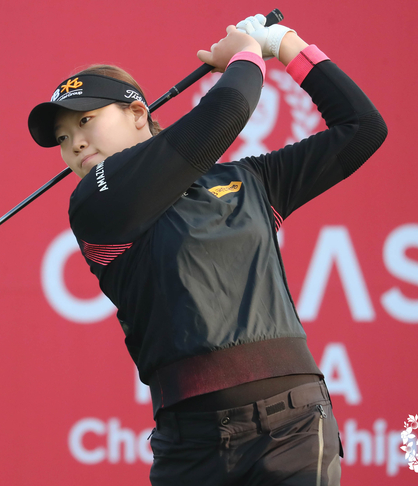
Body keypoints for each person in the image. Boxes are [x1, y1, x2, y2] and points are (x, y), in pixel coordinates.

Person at [28, 14, 387, 486]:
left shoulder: (250, 181)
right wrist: (246, 54)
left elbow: (363, 128)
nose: (74, 143)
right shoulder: (96, 200)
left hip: (295, 429)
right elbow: (228, 109)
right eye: (62, 137)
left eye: (86, 121)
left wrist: (286, 44)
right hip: (191, 447)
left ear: (138, 113)